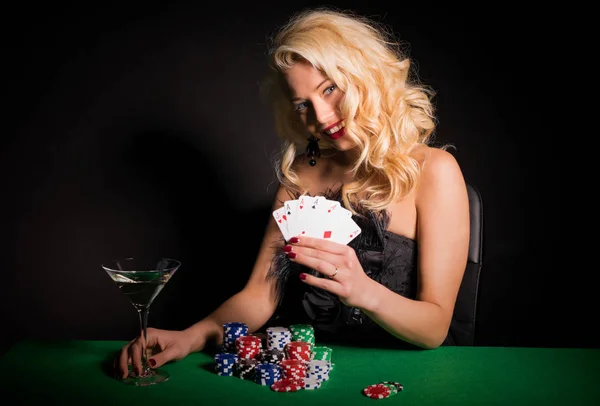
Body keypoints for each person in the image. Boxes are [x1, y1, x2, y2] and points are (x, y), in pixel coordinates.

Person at [116, 6, 470, 379]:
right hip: (303, 368)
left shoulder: (435, 171)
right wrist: (191, 336)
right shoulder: (303, 171)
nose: (320, 117)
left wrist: (363, 291)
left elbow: (435, 328)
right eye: (303, 105)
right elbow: (259, 296)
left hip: (406, 373)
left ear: (366, 77)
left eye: (329, 89)